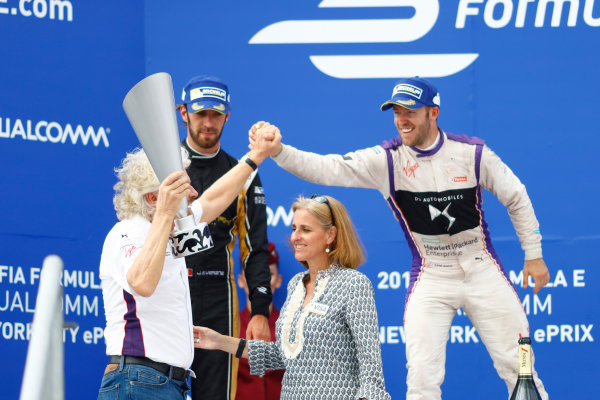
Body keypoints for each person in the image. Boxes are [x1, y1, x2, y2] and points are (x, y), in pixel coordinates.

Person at [249, 77, 550, 400]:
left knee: (519, 369)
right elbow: (326, 168)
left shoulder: (472, 153)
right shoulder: (388, 160)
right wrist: (278, 151)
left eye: (410, 111)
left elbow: (516, 195)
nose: (401, 120)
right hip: (432, 275)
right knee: (421, 379)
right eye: (396, 112)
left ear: (433, 113)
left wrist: (533, 254)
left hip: (481, 267)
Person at [97, 123, 279, 400]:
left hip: (165, 383)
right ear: (154, 197)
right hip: (139, 380)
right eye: (184, 187)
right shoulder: (127, 231)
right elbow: (142, 283)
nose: (193, 193)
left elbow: (215, 198)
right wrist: (166, 213)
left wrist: (255, 157)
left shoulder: (170, 227)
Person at [195, 195, 391, 400]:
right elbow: (282, 356)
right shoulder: (296, 284)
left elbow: (371, 368)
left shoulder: (354, 284)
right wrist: (218, 341)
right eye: (294, 228)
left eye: (305, 230)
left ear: (330, 234)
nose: (295, 236)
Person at [178, 75, 273, 400]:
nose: (208, 122)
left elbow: (255, 249)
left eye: (216, 114)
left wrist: (259, 310)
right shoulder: (161, 165)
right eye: (200, 113)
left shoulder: (243, 172)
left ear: (227, 116)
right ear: (183, 113)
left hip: (219, 295)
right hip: (167, 291)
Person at [235, 241, 284, 400]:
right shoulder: (229, 326)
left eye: (268, 274)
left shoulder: (292, 325)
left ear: (278, 280)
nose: (261, 281)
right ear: (241, 280)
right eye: (252, 274)